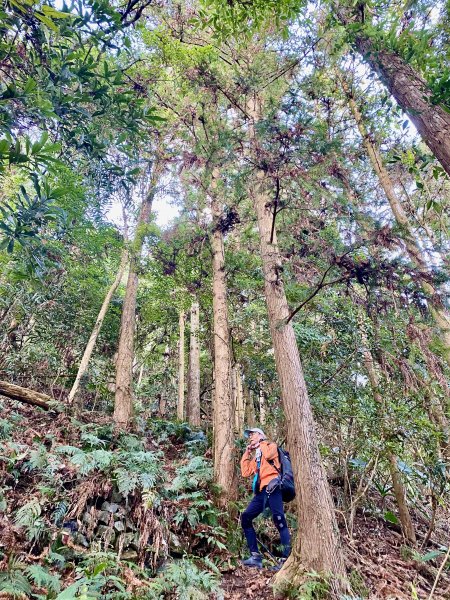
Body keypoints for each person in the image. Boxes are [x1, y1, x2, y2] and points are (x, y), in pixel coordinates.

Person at [240, 427, 291, 569]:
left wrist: (261, 443)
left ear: (261, 435)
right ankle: (255, 556)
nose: (250, 437)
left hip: (274, 488)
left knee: (279, 520)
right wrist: (247, 452)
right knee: (246, 517)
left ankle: (285, 560)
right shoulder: (257, 457)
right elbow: (245, 472)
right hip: (262, 492)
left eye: (253, 434)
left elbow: (268, 455)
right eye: (249, 435)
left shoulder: (271, 446)